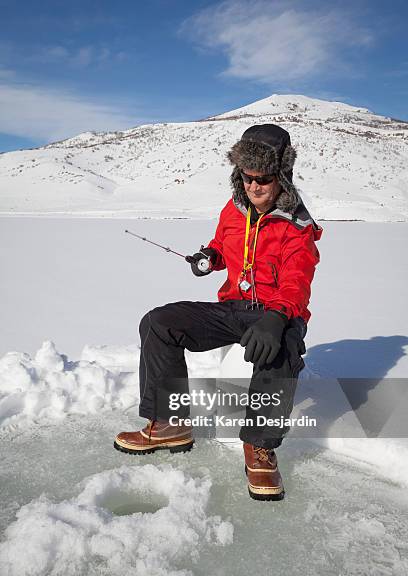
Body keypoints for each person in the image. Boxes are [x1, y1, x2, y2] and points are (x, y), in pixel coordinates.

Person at [114, 124, 323, 501]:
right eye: (247, 177)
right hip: (232, 308)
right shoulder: (234, 208)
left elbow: (297, 284)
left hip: (276, 312)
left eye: (264, 179)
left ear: (283, 177)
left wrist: (276, 319)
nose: (254, 187)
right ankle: (172, 424)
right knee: (159, 323)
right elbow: (223, 247)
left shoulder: (298, 227)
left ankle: (260, 447)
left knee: (280, 346)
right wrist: (210, 258)